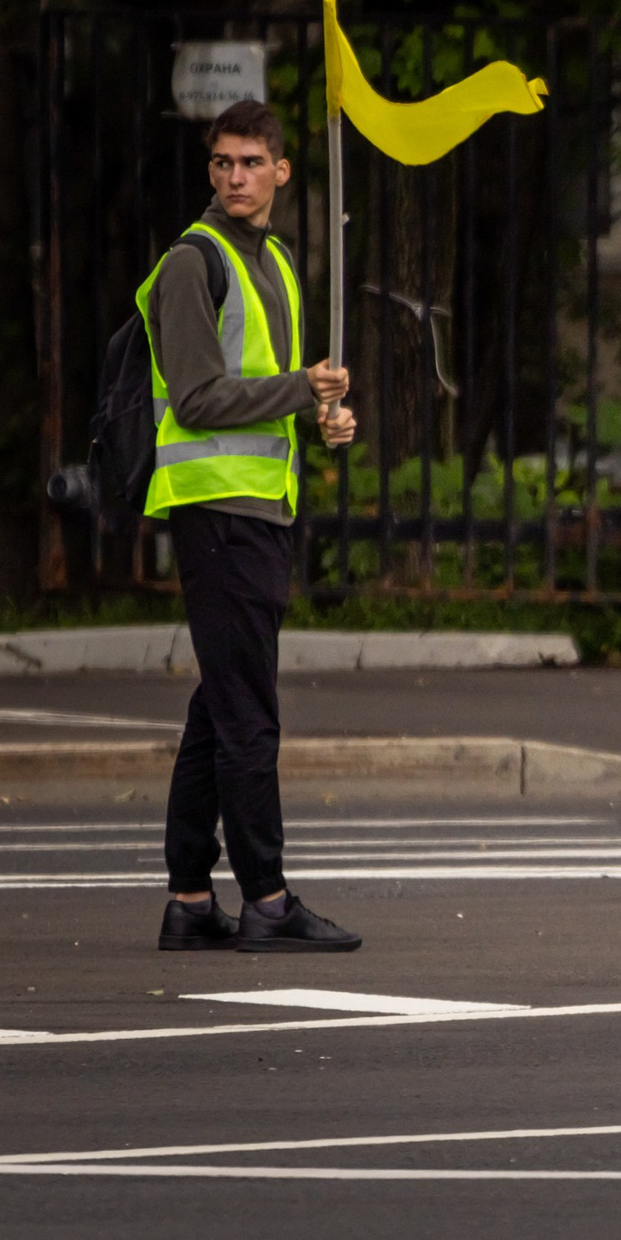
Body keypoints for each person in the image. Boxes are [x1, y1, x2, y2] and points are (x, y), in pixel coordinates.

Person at [147, 99, 363, 955]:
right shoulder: (191, 263)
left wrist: (323, 418)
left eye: (249, 162)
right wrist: (300, 390)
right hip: (216, 513)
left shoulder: (274, 260)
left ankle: (191, 899)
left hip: (262, 510)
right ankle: (266, 900)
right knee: (247, 718)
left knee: (219, 708)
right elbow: (199, 398)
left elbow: (272, 389)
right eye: (222, 163)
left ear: (280, 171)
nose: (234, 177)